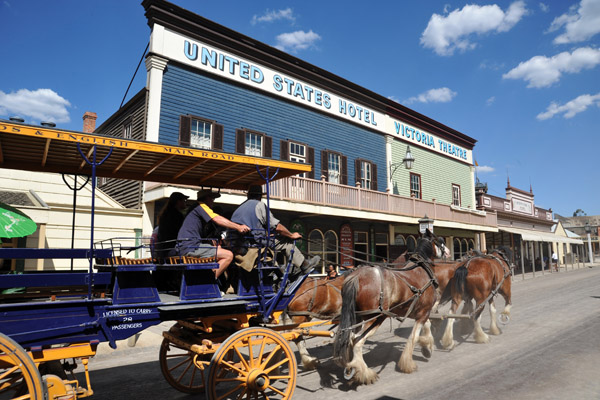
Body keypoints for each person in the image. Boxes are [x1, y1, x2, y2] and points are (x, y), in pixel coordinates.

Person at [230, 185, 320, 280]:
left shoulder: (239, 208)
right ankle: (304, 265)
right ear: (260, 196)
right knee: (286, 242)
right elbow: (277, 226)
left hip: (240, 244)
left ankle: (282, 270)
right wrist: (291, 235)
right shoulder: (259, 205)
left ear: (248, 196)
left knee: (275, 239)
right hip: (255, 243)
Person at [177, 189, 250, 279]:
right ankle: (208, 281)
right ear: (207, 198)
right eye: (212, 198)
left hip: (188, 245)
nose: (213, 201)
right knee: (228, 255)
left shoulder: (195, 209)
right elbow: (217, 219)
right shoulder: (201, 206)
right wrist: (239, 227)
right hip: (190, 247)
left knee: (218, 249)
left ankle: (214, 281)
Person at [155, 192, 189, 259]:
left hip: (162, 250)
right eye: (184, 200)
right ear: (178, 202)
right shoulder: (177, 216)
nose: (185, 203)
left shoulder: (165, 214)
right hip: (172, 249)